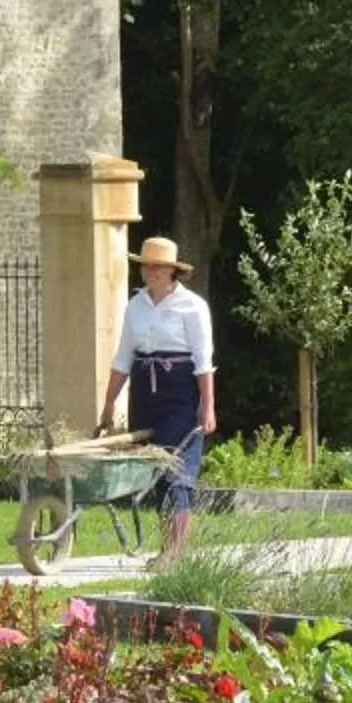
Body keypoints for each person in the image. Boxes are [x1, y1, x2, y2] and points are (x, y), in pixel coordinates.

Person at [97, 235, 215, 564]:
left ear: (171, 271)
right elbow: (122, 359)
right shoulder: (135, 306)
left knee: (176, 470)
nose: (148, 272)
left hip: (180, 392)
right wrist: (109, 404)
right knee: (153, 469)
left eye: (155, 267)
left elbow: (204, 362)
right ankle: (168, 547)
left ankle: (174, 552)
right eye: (145, 266)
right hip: (145, 392)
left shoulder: (192, 306)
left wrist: (207, 405)